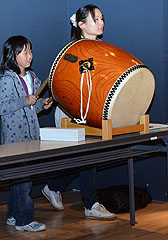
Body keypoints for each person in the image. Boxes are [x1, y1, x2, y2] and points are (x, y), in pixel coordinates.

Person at [41, 4, 116, 221]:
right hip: (71, 112)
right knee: (88, 156)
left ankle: (53, 186)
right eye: (95, 19)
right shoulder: (74, 51)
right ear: (81, 25)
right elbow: (67, 84)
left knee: (85, 158)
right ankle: (90, 204)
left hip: (91, 111)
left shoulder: (102, 47)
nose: (101, 23)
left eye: (102, 19)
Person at [0, 35, 53, 232]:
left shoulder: (33, 77)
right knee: (23, 181)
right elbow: (2, 107)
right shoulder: (7, 80)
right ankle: (24, 220)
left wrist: (41, 104)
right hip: (15, 140)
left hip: (31, 137)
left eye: (30, 51)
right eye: (25, 51)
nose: (30, 56)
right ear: (13, 55)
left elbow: (32, 107)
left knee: (20, 179)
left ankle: (13, 215)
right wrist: (24, 100)